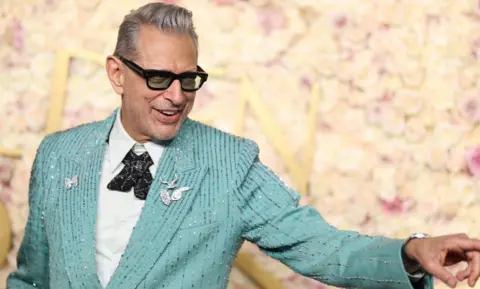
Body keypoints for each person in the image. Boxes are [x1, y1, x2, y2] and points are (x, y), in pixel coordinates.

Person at [6, 3, 480, 289]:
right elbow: (31, 278)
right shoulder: (58, 156)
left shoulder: (229, 164)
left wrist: (413, 251)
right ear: (116, 73)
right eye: (157, 78)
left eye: (188, 79)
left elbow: (321, 246)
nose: (176, 96)